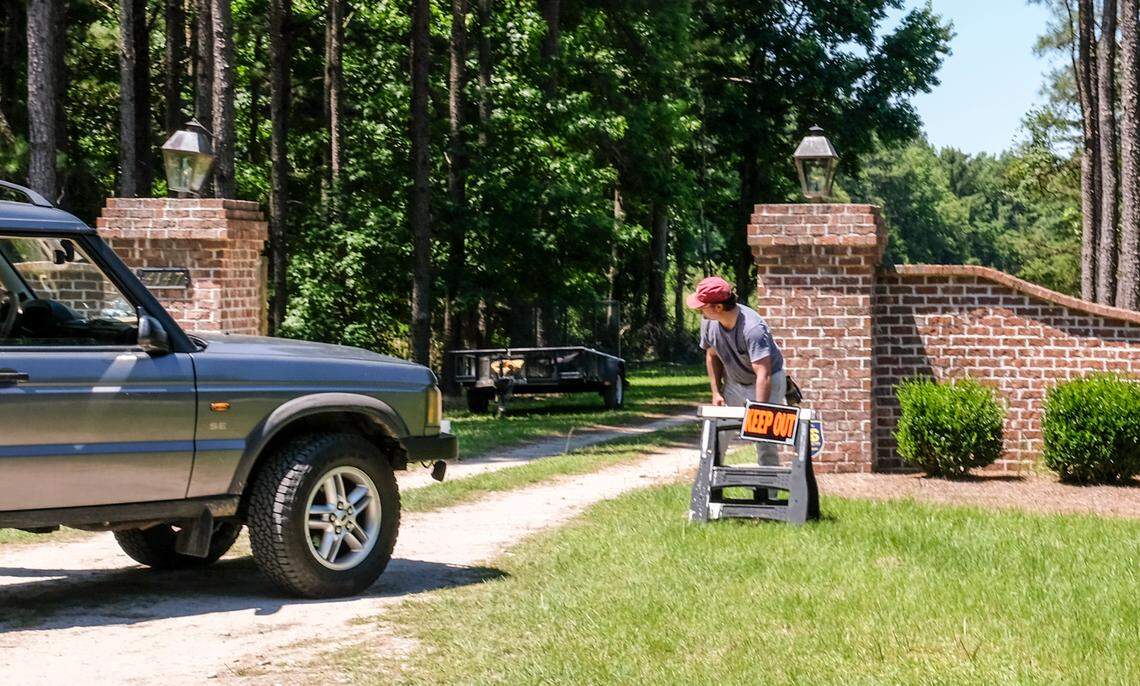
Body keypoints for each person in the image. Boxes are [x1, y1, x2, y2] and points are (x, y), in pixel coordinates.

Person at [688, 275, 787, 466]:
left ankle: (770, 493)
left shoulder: (752, 329)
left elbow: (763, 373)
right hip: (734, 382)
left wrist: (760, 411)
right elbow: (711, 355)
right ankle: (711, 487)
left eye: (703, 306)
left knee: (765, 439)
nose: (700, 311)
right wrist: (716, 392)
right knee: (718, 432)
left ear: (718, 307)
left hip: (768, 381)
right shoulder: (709, 322)